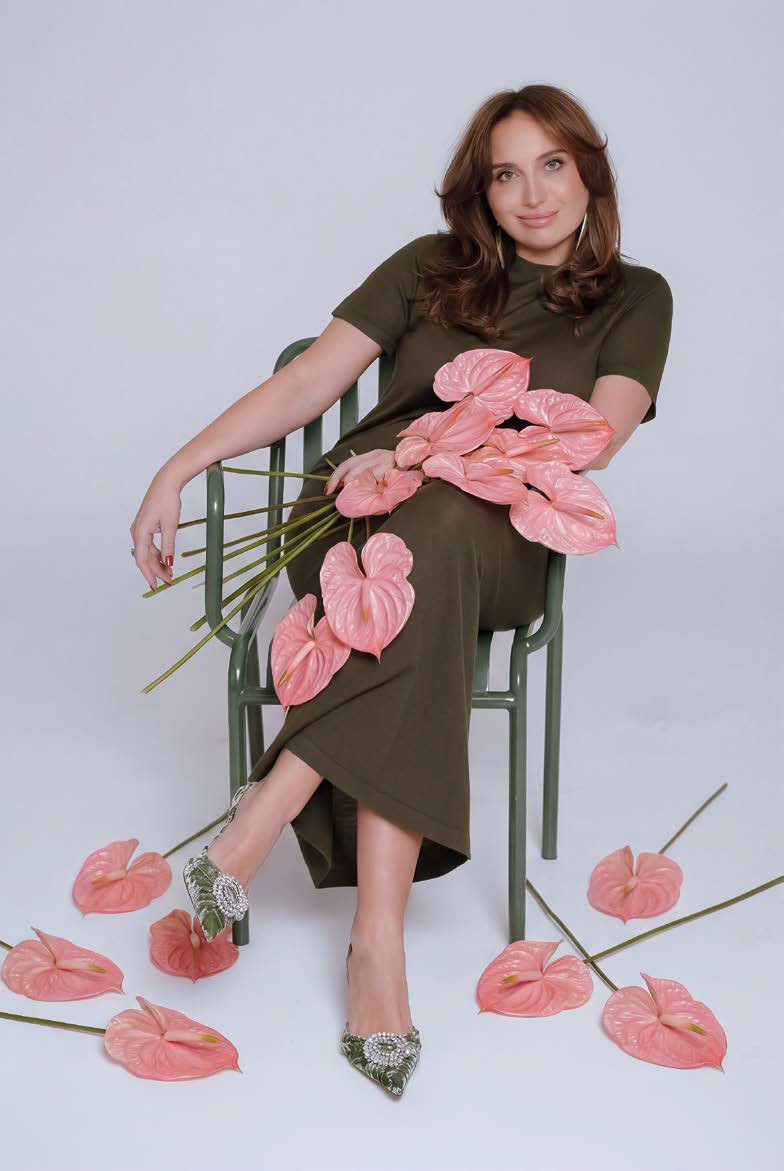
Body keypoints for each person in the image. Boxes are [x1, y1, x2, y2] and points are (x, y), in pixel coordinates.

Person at [130, 83, 673, 1097]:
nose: (533, 193)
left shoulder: (637, 296)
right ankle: (376, 943)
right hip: (353, 515)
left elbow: (594, 436)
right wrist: (177, 467)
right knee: (411, 577)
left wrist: (433, 454)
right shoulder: (429, 267)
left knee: (439, 534)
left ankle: (264, 811)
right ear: (481, 190)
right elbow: (307, 385)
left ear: (589, 174)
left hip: (495, 534)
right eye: (506, 173)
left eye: (552, 165)